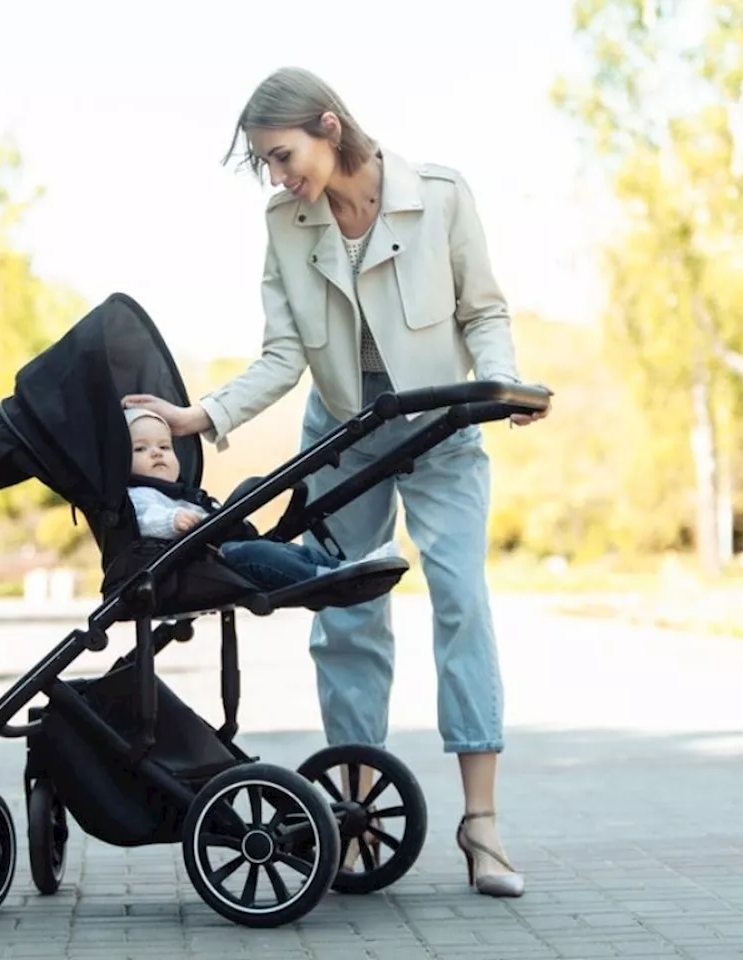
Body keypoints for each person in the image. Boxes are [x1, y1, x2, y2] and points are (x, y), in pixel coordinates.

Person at [122, 67, 549, 896]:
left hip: (442, 429)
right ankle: (352, 816)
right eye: (267, 166)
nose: (280, 177)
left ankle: (483, 825)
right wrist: (198, 416)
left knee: (462, 605)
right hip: (345, 438)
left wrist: (502, 383)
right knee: (347, 610)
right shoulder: (287, 222)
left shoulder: (441, 195)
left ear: (328, 125)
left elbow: (483, 312)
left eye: (284, 156)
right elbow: (284, 354)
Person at [126, 407, 394, 590]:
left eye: (164, 446)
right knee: (261, 553)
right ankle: (324, 578)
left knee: (291, 551)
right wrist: (172, 520)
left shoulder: (184, 496)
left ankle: (346, 568)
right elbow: (142, 520)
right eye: (141, 448)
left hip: (218, 557)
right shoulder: (140, 495)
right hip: (200, 567)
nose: (156, 454)